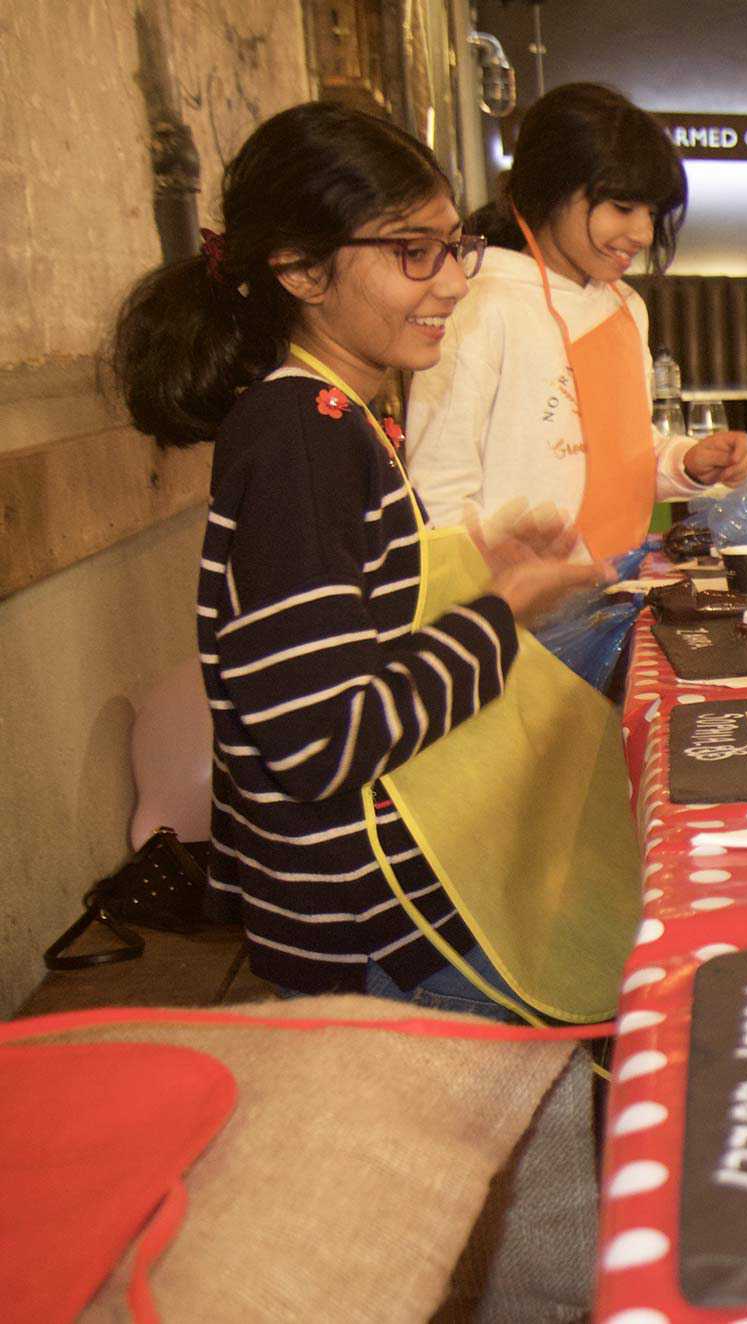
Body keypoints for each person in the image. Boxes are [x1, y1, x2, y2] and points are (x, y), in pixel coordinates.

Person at [110, 102, 641, 1023]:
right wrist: (499, 613)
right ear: (302, 269)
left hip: (376, 904)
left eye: (453, 248)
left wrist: (469, 563)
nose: (451, 285)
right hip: (377, 928)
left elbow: (351, 627)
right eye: (411, 252)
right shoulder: (300, 437)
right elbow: (326, 739)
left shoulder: (340, 416)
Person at [406, 82, 747, 560]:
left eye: (651, 213)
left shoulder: (626, 306)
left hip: (611, 588)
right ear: (553, 187)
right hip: (515, 613)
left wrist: (686, 462)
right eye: (623, 208)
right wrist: (496, 597)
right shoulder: (479, 302)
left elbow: (622, 453)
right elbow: (438, 491)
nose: (643, 233)